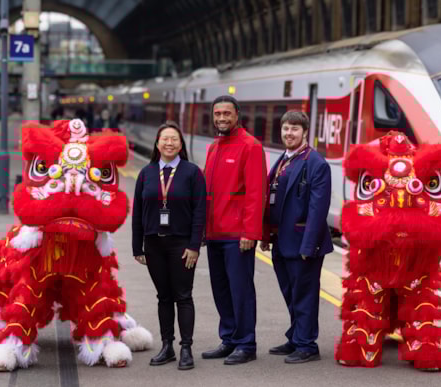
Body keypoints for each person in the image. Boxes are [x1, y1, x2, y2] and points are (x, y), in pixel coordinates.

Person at [132, 121, 207, 370]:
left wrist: (194, 245)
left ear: (181, 144)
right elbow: (138, 213)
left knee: (183, 296)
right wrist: (137, 247)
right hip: (153, 245)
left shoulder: (192, 173)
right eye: (165, 139)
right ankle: (168, 347)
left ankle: (186, 348)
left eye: (174, 139)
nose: (169, 143)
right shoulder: (146, 173)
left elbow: (200, 212)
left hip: (182, 245)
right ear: (157, 143)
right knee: (163, 297)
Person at [260, 110, 333, 363]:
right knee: (290, 292)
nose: (288, 133)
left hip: (303, 243)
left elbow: (318, 208)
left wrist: (308, 245)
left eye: (294, 129)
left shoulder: (316, 163)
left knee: (305, 294)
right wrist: (266, 234)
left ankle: (307, 345)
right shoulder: (282, 159)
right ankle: (296, 337)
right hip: (281, 240)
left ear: (304, 132)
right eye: (285, 128)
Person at [201, 95, 266, 365]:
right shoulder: (213, 148)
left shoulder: (251, 146)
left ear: (237, 115)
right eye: (217, 114)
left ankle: (246, 343)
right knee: (221, 289)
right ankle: (228, 338)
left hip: (237, 235)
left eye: (227, 113)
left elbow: (256, 193)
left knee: (240, 290)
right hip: (215, 233)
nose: (222, 118)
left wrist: (250, 233)